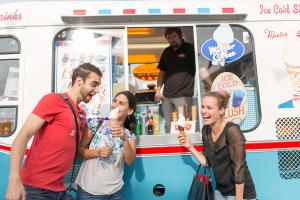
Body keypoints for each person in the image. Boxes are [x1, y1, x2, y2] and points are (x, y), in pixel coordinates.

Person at [5, 63, 102, 200]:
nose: (97, 90)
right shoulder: (53, 100)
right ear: (79, 81)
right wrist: (14, 179)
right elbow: (23, 136)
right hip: (36, 190)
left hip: (59, 189)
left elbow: (74, 146)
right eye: (93, 84)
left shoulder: (81, 114)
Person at [178, 91, 256, 200]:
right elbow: (207, 162)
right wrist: (190, 146)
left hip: (240, 193)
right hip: (220, 190)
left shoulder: (232, 131)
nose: (204, 111)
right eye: (203, 107)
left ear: (221, 110)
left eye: (209, 108)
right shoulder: (206, 130)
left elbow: (239, 170)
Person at [75, 90, 137, 200]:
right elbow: (79, 150)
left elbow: (130, 160)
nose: (115, 105)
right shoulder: (95, 124)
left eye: (121, 103)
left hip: (116, 192)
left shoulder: (129, 135)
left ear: (130, 111)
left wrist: (125, 140)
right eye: (114, 101)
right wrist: (97, 153)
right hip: (89, 192)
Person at [155, 27, 196, 133]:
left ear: (180, 36)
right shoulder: (166, 52)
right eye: (169, 38)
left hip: (183, 95)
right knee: (169, 126)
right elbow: (162, 72)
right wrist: (158, 90)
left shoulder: (190, 49)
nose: (172, 39)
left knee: (185, 126)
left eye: (174, 36)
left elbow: (201, 67)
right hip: (166, 96)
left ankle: (186, 148)